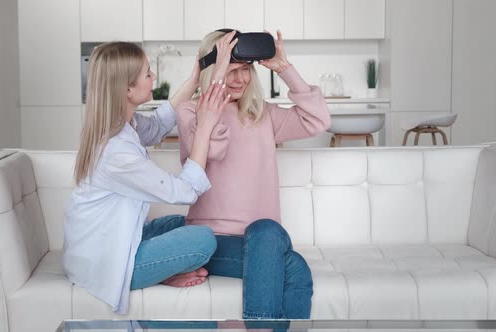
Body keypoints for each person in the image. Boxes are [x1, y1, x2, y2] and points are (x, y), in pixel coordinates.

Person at [62, 40, 233, 315]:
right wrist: (205, 125)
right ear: (127, 89)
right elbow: (184, 192)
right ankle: (156, 271)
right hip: (106, 262)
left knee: (184, 223)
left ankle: (162, 270)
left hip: (119, 239)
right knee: (202, 238)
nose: (153, 77)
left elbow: (155, 127)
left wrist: (193, 81)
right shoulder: (115, 151)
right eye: (147, 73)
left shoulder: (121, 123)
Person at [176, 30, 332, 319]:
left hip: (265, 239)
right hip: (214, 242)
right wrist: (217, 85)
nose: (239, 79)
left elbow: (319, 120)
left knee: (266, 230)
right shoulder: (189, 113)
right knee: (296, 269)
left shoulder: (263, 115)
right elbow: (213, 149)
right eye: (230, 70)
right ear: (213, 73)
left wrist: (285, 69)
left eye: (245, 70)